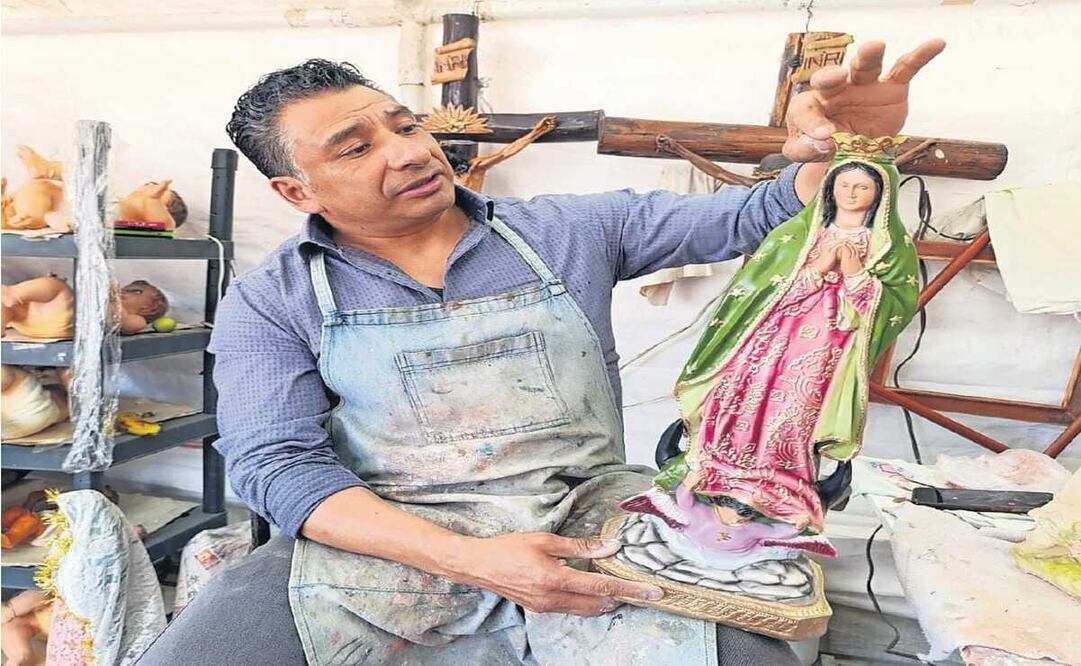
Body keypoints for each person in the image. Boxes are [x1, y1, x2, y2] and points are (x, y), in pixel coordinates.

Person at [137, 39, 945, 665]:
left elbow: (760, 214)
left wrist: (856, 149)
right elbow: (277, 468)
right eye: (356, 147)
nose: (411, 152)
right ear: (296, 192)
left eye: (404, 124)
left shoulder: (564, 232)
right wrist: (472, 560)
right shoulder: (272, 297)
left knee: (745, 650)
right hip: (390, 537)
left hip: (589, 518)